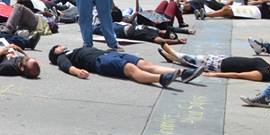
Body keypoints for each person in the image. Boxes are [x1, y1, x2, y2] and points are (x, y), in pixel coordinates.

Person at [49, 44, 203, 87]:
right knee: (130, 69)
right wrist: (77, 72)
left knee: (144, 63)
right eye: (57, 46)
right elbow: (65, 66)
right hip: (100, 63)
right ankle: (161, 78)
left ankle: (182, 73)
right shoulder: (63, 57)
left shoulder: (73, 50)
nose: (61, 46)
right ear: (55, 53)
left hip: (109, 54)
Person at [158, 43, 270, 81]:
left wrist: (215, 75)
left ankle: (171, 52)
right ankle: (172, 57)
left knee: (190, 58)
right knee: (193, 60)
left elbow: (238, 75)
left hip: (219, 66)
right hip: (222, 59)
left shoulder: (265, 74)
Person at [202, 0, 270, 20]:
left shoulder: (267, 13)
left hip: (249, 12)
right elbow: (250, 3)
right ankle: (207, 13)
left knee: (226, 10)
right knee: (226, 9)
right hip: (248, 9)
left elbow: (250, 4)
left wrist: (264, 2)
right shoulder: (263, 6)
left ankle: (206, 14)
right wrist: (262, 1)